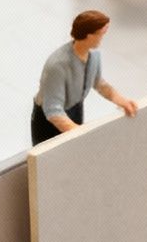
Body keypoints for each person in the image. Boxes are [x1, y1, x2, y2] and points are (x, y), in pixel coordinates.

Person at [32, 10, 138, 145]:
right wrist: (80, 134)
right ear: (89, 35)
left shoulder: (94, 55)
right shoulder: (57, 65)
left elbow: (99, 83)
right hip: (48, 122)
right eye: (101, 34)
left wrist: (122, 101)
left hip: (75, 108)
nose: (103, 38)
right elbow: (53, 110)